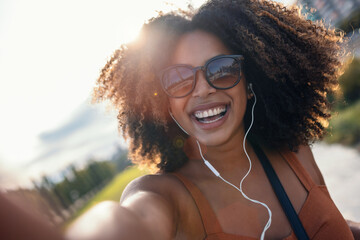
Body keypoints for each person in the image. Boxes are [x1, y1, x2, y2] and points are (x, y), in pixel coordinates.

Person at [87, 0, 359, 239]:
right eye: (179, 79)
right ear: (163, 104)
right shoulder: (165, 197)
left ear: (249, 80)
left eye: (222, 69)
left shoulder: (295, 151)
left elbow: (332, 225)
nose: (203, 88)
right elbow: (124, 224)